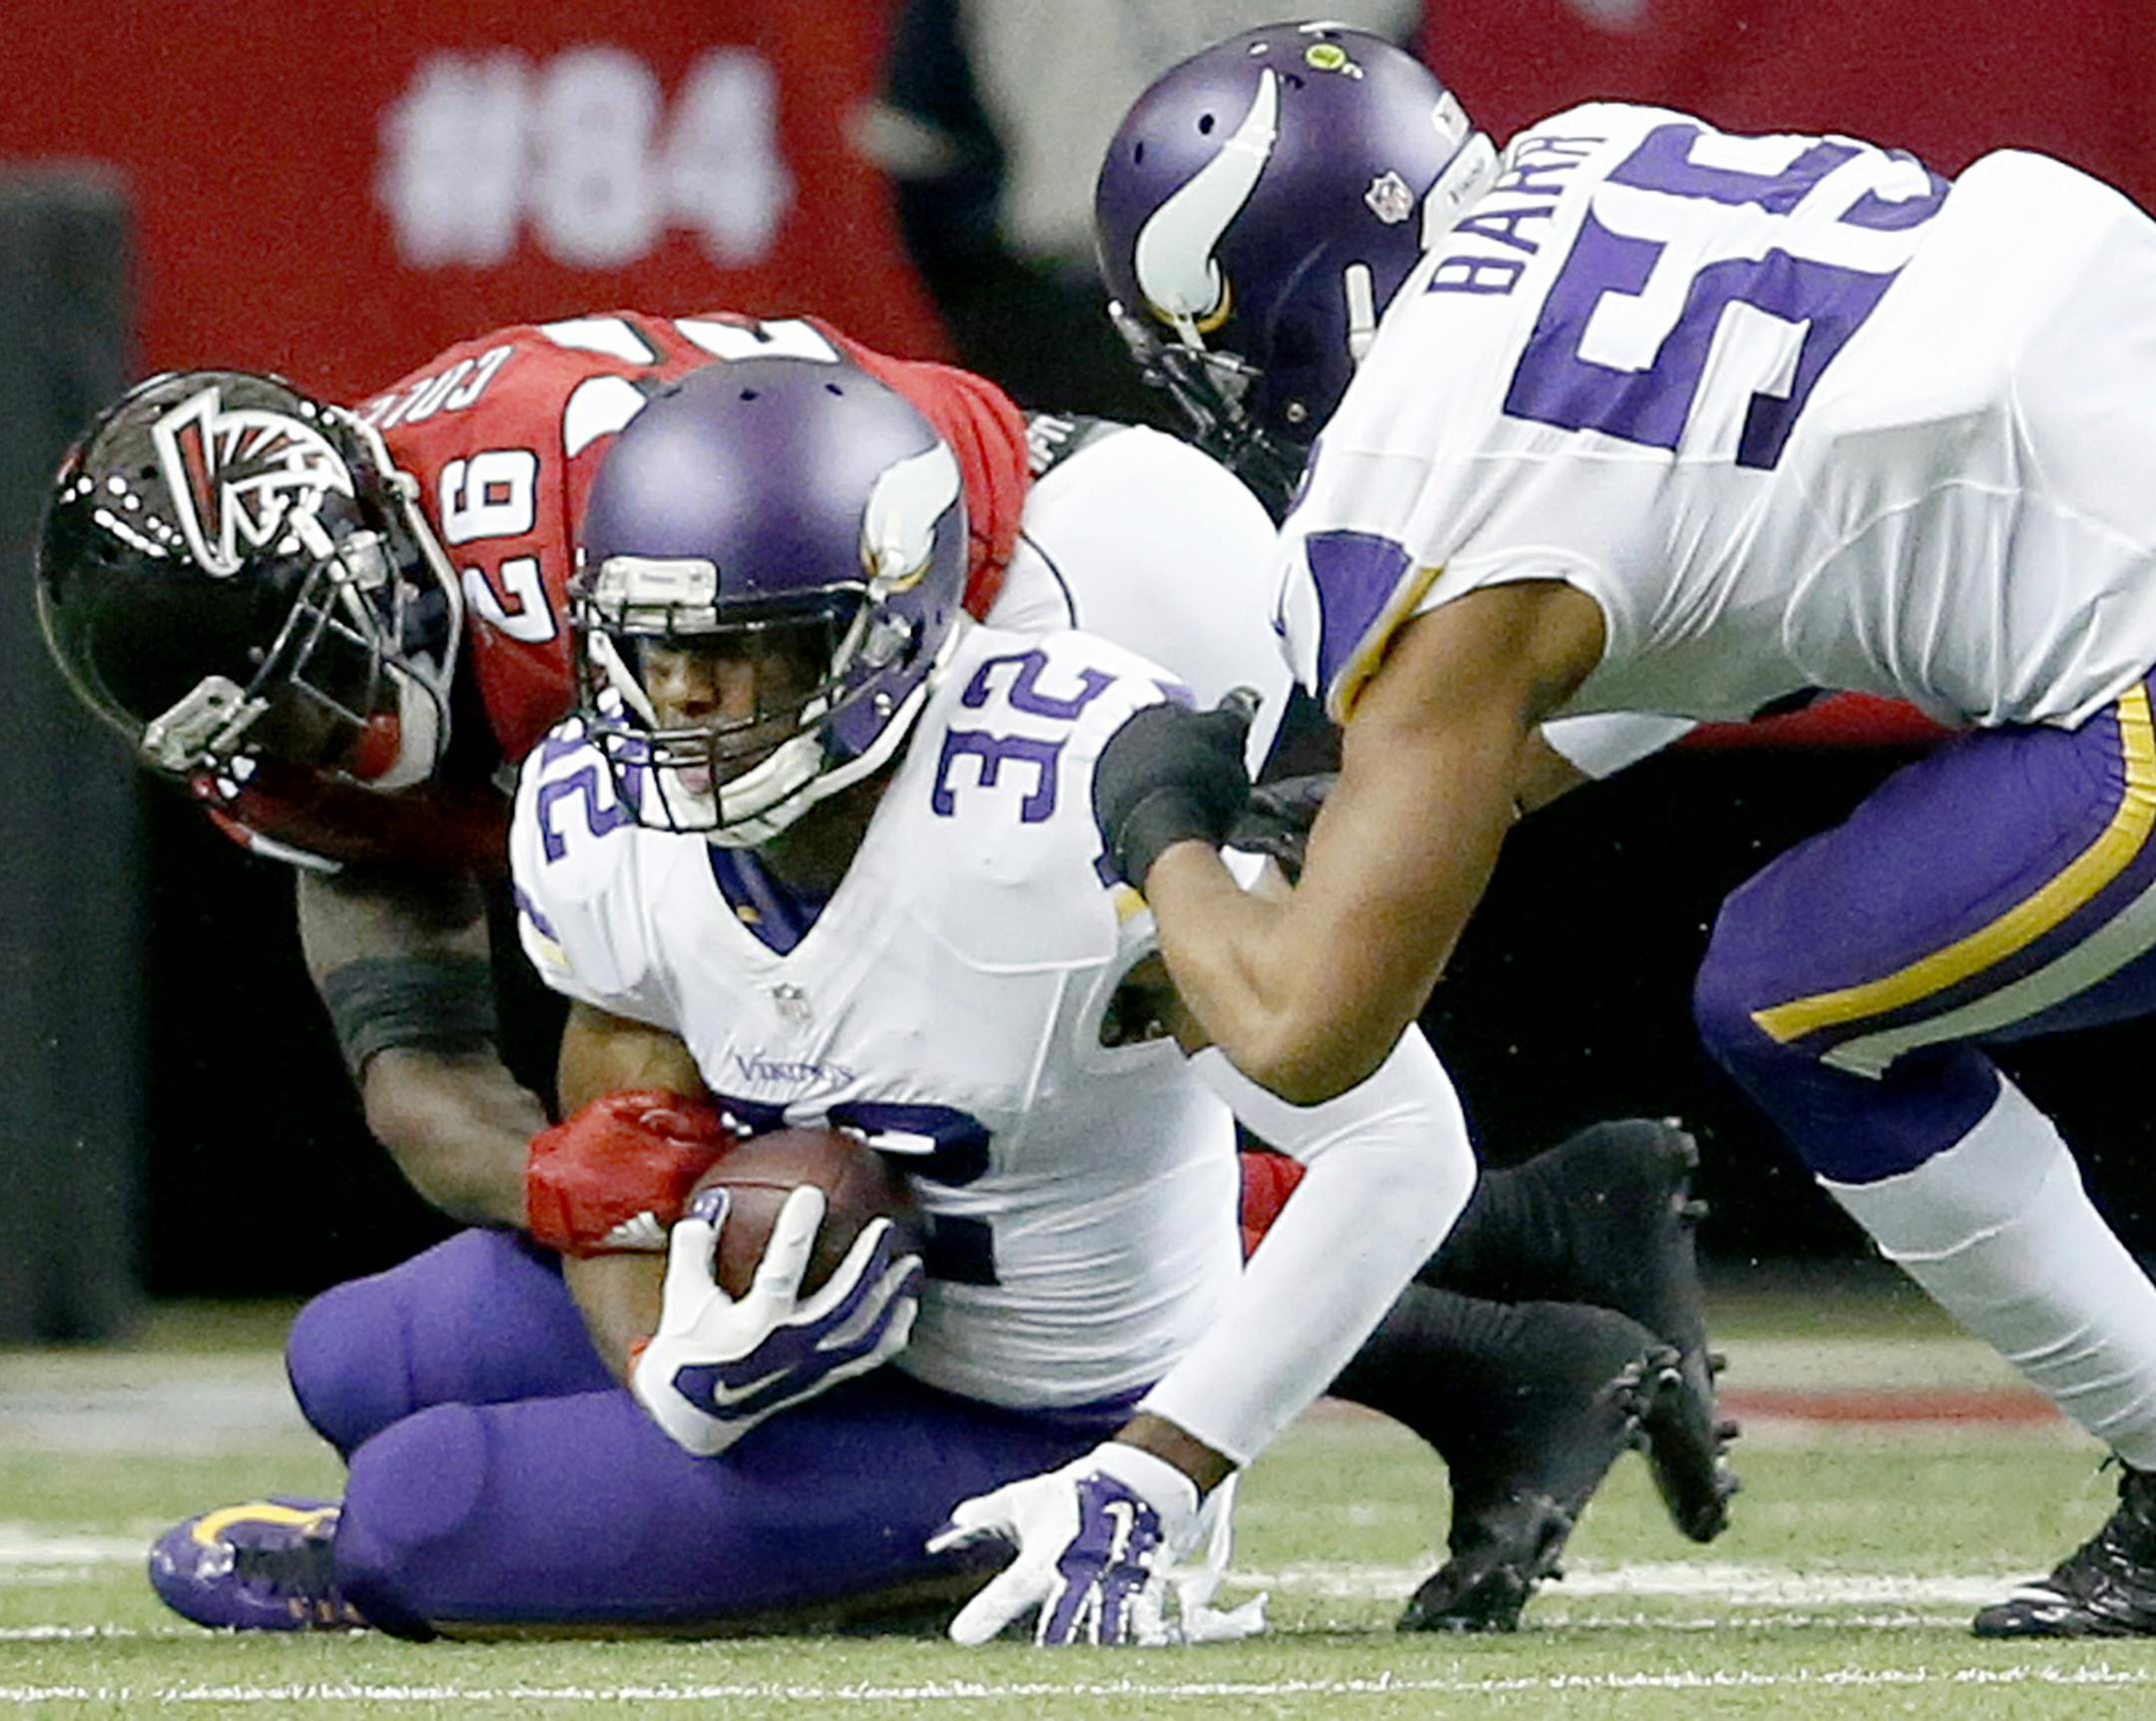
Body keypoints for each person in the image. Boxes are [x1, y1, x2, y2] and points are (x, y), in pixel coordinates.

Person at [38, 315, 1725, 1635]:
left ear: (374, 573)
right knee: (402, 1337)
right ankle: (1521, 1298)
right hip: (843, 676)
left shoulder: (604, 550)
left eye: (324, 686)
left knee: (1067, 1050)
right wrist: (640, 1253)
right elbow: (450, 1071)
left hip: (1015, 565)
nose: (323, 749)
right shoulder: (557, 758)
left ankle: (1207, 1418)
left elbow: (858, 542)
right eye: (272, 737)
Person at [1091, 20, 2156, 1638]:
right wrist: (1366, 805)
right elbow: (1719, 598)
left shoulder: (1422, 474)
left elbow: (1307, 1035)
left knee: (1797, 1004)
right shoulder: (1592, 153)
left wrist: (1160, 825)